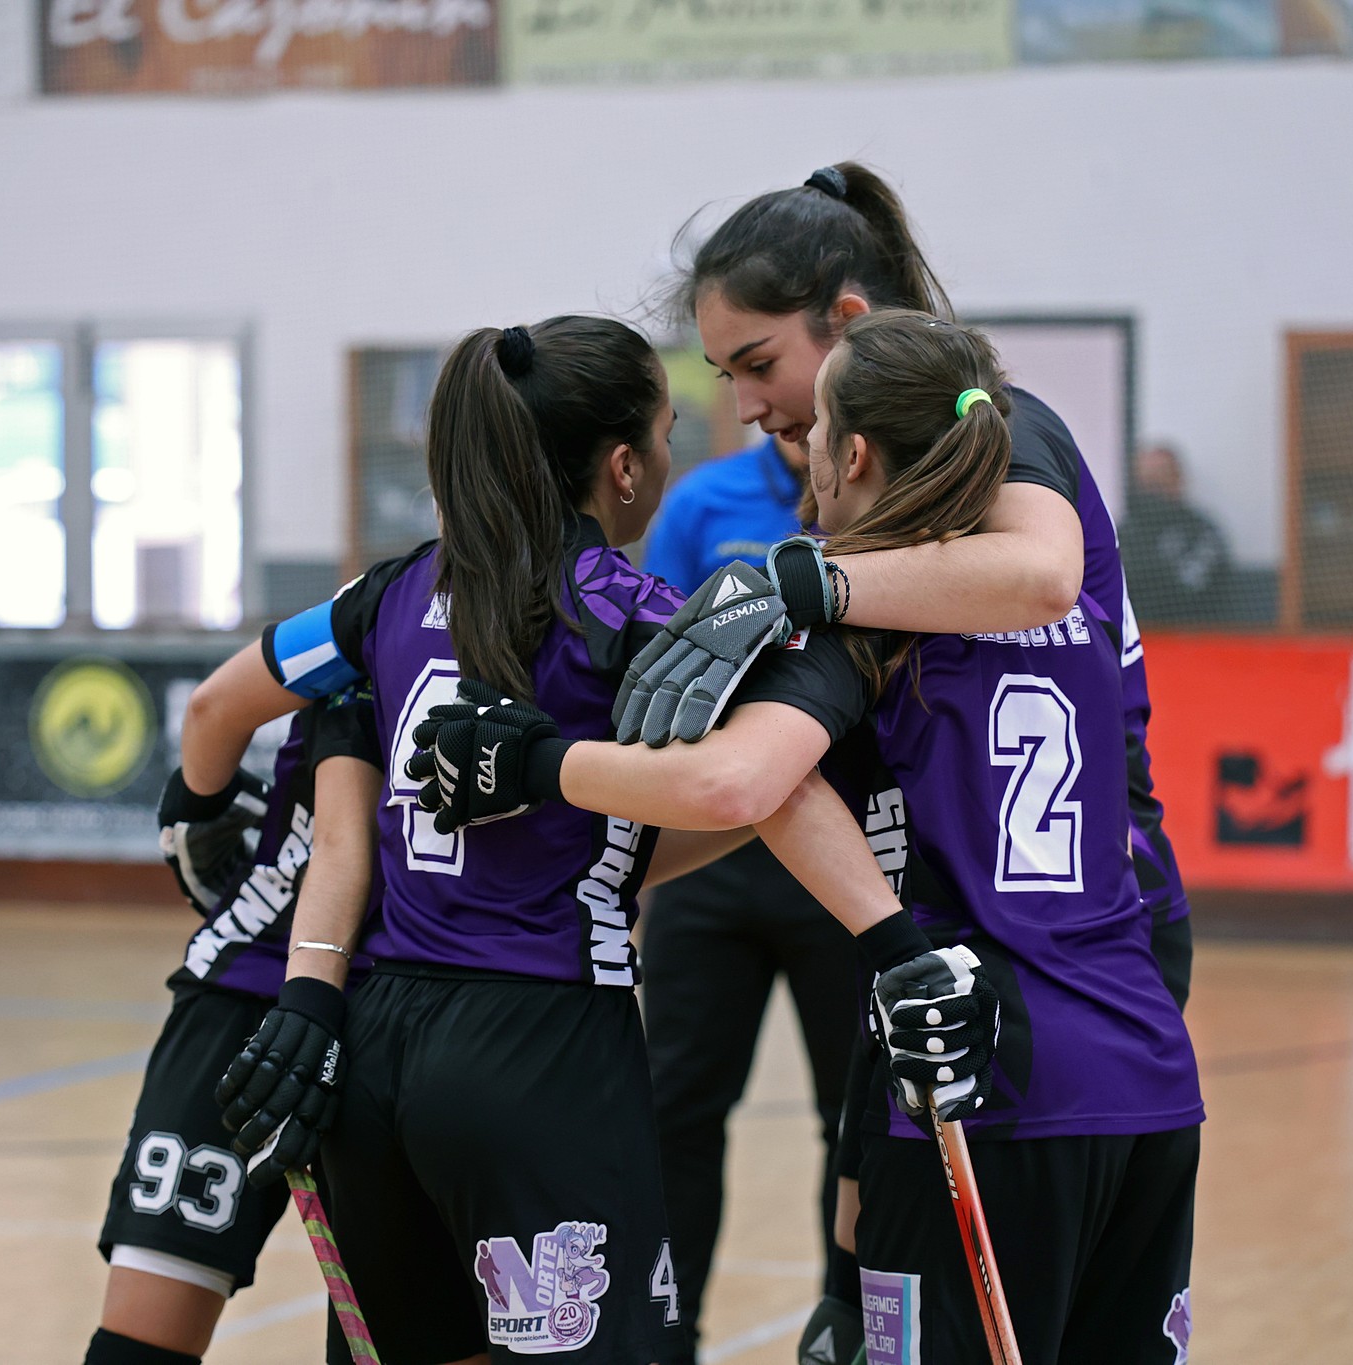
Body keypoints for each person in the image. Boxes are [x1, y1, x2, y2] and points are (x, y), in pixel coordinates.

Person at [418, 310, 1203, 1365]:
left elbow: (739, 780)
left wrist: (536, 766)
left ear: (855, 453)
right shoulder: (1072, 585)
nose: (798, 454)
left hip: (981, 1070)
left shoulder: (848, 616)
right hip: (1145, 1066)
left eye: (814, 432)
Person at [174, 315, 907, 1365]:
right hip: (541, 1044)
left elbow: (220, 703)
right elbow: (763, 779)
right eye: (663, 434)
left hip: (375, 1044)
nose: (668, 459)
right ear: (622, 467)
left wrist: (195, 807)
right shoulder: (634, 613)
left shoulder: (386, 596)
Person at [620, 162, 1193, 1358]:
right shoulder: (913, 559)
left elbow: (743, 780)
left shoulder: (977, 467)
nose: (747, 406)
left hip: (1007, 996)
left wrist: (542, 787)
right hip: (1122, 1017)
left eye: (758, 366)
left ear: (845, 329)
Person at [637, 432, 863, 1365]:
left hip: (840, 854)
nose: (753, 400)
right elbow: (651, 658)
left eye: (760, 367)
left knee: (853, 1123)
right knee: (676, 1111)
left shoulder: (877, 496)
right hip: (711, 858)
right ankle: (665, 1337)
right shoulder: (703, 502)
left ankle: (846, 1332)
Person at [85, 686, 380, 1365]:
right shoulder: (560, 634)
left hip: (254, 978)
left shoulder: (352, 627)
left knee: (143, 1340)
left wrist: (195, 800)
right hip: (409, 991)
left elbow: (210, 709)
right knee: (401, 1332)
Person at [1121, 441, 1235, 625]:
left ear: (1178, 478)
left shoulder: (1201, 532)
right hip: (1133, 632)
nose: (1151, 487)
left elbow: (1192, 592)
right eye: (1145, 480)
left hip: (1192, 633)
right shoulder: (1123, 532)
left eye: (1159, 478)